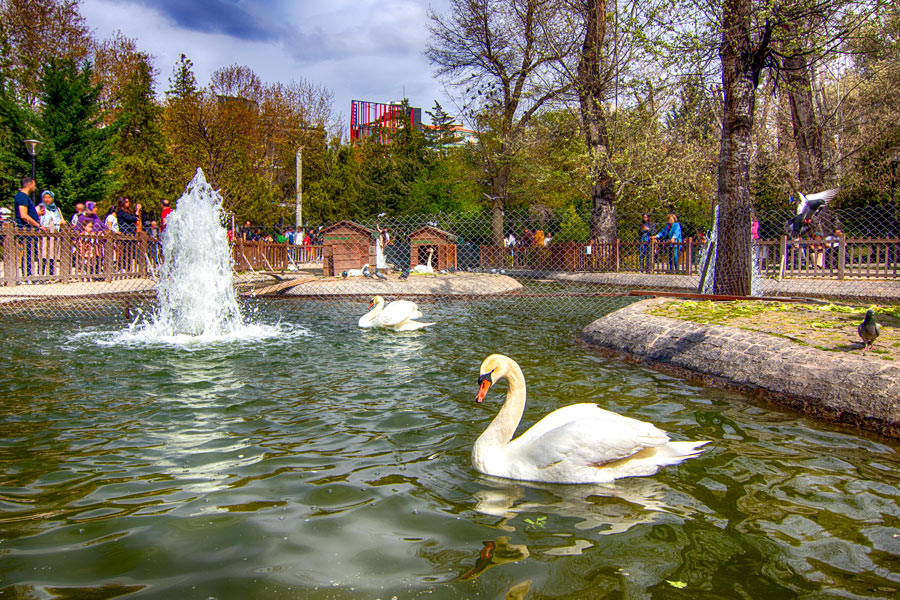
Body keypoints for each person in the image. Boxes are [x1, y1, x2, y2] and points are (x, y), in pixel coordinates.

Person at [38, 190, 63, 275]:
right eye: (45, 197)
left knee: (52, 252)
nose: (47, 199)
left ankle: (51, 273)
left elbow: (61, 219)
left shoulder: (56, 209)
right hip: (44, 232)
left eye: (49, 197)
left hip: (54, 232)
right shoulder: (40, 207)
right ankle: (41, 273)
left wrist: (61, 222)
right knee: (43, 252)